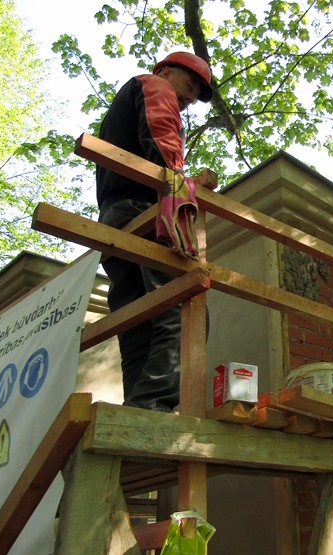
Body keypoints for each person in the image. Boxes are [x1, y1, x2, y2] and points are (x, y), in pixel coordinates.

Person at [96, 51, 217, 412]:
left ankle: (135, 412)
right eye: (190, 84)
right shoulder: (153, 85)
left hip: (116, 219)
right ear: (166, 71)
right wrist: (184, 186)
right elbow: (163, 146)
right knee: (185, 308)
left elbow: (143, 157)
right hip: (144, 214)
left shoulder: (125, 104)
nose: (191, 97)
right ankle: (151, 411)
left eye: (196, 94)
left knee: (138, 325)